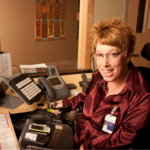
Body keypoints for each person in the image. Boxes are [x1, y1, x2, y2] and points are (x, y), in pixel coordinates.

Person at [54, 18, 150, 149]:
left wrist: (88, 147)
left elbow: (123, 138)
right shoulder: (99, 77)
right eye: (99, 55)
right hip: (78, 139)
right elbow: (86, 95)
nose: (104, 63)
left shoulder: (141, 96)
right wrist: (66, 104)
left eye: (113, 54)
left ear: (127, 55)